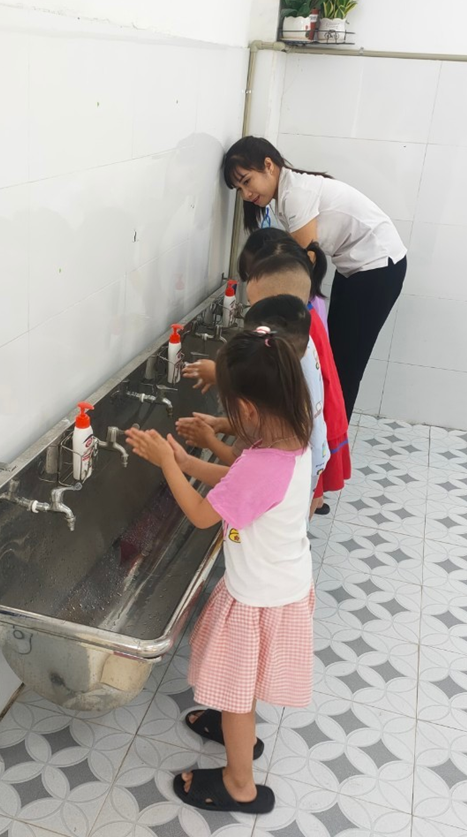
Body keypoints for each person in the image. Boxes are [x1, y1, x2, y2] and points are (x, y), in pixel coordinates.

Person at [125, 326, 315, 815]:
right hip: (282, 585)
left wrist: (167, 463)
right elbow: (237, 480)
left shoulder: (262, 463)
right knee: (239, 686)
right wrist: (187, 459)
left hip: (258, 599)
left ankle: (239, 783)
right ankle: (236, 730)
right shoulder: (290, 438)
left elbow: (202, 514)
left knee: (238, 697)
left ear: (246, 409)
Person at [222, 136, 407, 419]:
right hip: (357, 266)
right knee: (334, 357)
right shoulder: (287, 192)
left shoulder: (295, 194)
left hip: (378, 267)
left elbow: (303, 264)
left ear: (269, 165)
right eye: (239, 189)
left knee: (346, 364)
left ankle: (334, 434)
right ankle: (328, 429)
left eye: (247, 181)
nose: (246, 194)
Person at [184, 237, 351, 514]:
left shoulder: (286, 358)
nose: (253, 314)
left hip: (303, 459)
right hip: (311, 453)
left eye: (255, 305)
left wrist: (207, 440)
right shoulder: (300, 337)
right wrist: (223, 424)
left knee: (290, 518)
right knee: (296, 516)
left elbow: (243, 468)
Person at [177, 294, 327, 508]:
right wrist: (220, 425)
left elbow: (202, 513)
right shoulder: (290, 399)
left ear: (247, 408)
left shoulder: (266, 459)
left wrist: (198, 446)